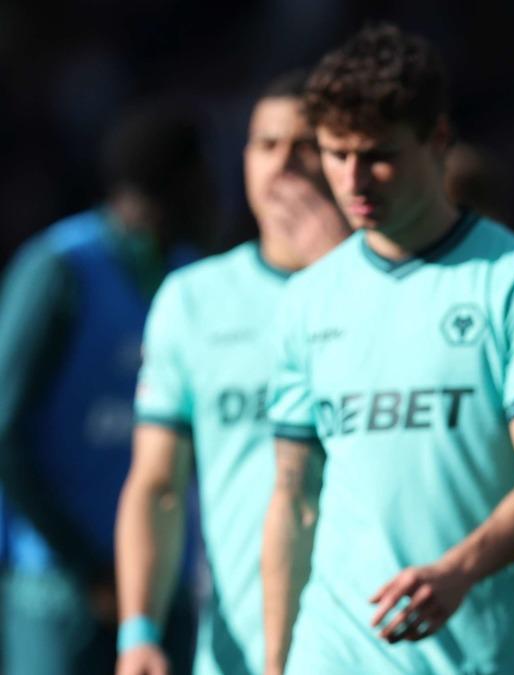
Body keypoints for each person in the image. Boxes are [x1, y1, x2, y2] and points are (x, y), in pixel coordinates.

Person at [261, 24, 514, 674]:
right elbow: (294, 501)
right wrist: (275, 662)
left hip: (480, 655)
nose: (353, 179)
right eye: (335, 154)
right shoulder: (308, 297)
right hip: (334, 652)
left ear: (437, 140)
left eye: (377, 155)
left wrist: (459, 569)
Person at [113, 72, 349, 675]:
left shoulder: (386, 291)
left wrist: (341, 271)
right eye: (266, 144)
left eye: (305, 146)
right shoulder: (192, 300)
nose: (283, 165)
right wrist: (138, 631)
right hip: (238, 650)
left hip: (374, 644)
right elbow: (157, 485)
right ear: (243, 160)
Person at [0, 101, 211, 675]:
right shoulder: (61, 268)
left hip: (161, 583)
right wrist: (86, 566)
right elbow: (6, 429)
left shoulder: (188, 275)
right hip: (59, 587)